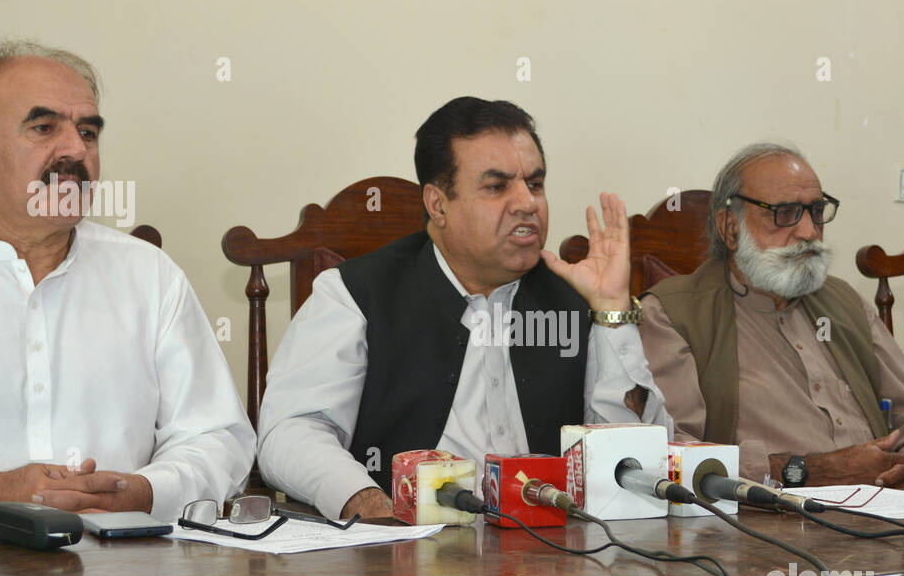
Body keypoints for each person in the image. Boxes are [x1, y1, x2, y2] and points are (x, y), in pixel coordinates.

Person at [0, 41, 255, 532]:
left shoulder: (149, 275)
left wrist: (145, 492)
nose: (76, 149)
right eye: (43, 127)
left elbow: (219, 437)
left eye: (88, 132)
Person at [257, 97, 671, 519]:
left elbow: (633, 459)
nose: (526, 202)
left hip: (554, 553)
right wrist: (365, 502)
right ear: (438, 205)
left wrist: (613, 313)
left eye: (535, 183)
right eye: (497, 187)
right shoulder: (356, 295)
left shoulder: (573, 300)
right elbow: (290, 432)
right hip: (401, 558)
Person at [640, 142, 904, 488]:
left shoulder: (845, 303)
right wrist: (813, 472)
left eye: (816, 211)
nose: (809, 231)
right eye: (785, 213)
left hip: (890, 514)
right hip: (763, 528)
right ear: (730, 228)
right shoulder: (672, 315)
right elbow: (670, 458)